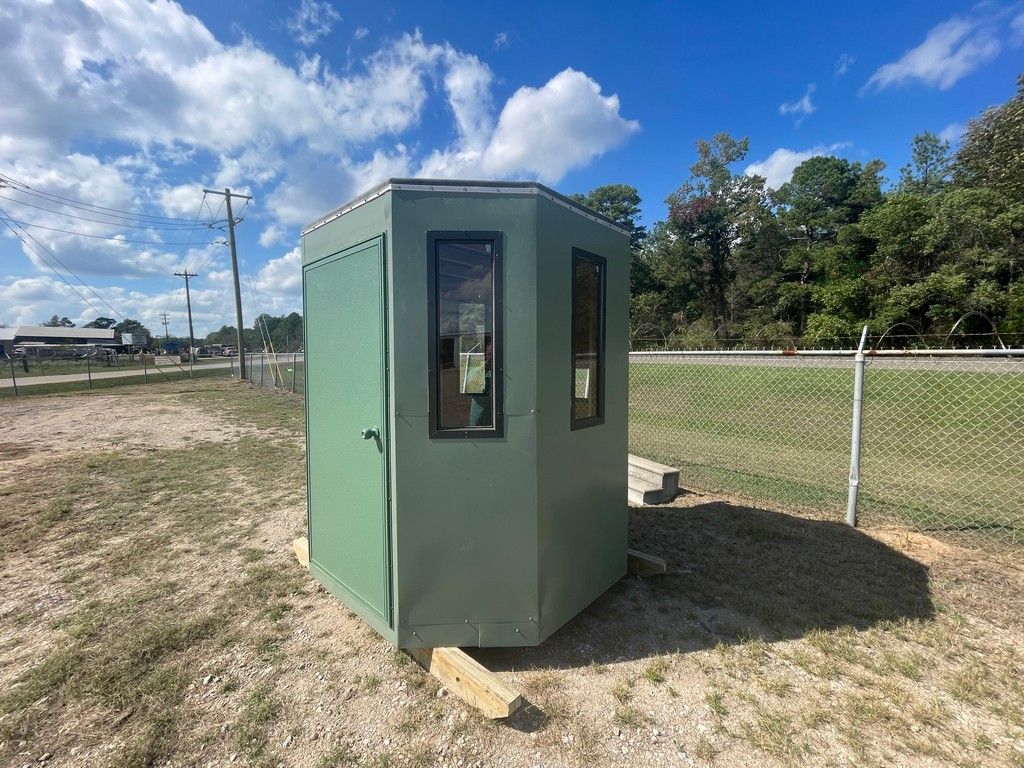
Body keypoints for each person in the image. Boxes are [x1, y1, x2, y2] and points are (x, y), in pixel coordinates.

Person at [468, 337, 492, 427]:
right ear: (485, 354)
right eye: (489, 354)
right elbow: (469, 390)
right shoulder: (476, 369)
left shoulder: (501, 371)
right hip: (478, 416)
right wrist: (482, 370)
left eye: (493, 355)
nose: (491, 358)